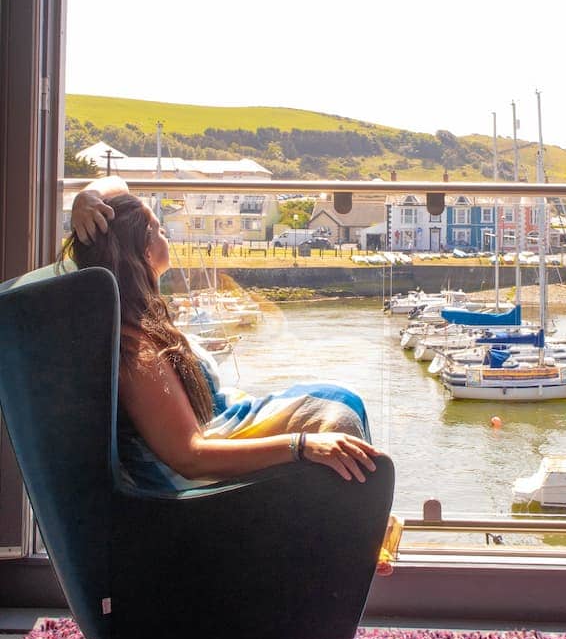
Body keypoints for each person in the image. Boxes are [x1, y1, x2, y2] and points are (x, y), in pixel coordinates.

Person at [67, 178, 386, 497]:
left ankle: (347, 532)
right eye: (158, 229)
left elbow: (117, 185)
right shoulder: (136, 348)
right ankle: (344, 535)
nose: (166, 233)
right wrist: (301, 446)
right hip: (199, 492)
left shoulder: (135, 321)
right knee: (339, 410)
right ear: (145, 251)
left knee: (337, 402)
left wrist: (88, 197)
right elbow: (189, 456)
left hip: (221, 423)